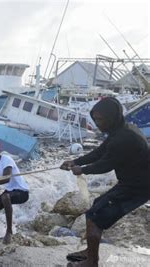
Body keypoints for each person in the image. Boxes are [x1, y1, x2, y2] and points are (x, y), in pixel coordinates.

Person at [60, 97, 150, 267]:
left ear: (112, 117)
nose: (97, 123)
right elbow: (99, 153)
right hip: (132, 183)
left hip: (139, 187)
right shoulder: (121, 130)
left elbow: (105, 165)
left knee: (95, 216)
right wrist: (75, 161)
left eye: (100, 119)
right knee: (96, 205)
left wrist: (82, 170)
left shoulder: (123, 138)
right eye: (95, 119)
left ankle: (92, 262)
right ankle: (90, 252)